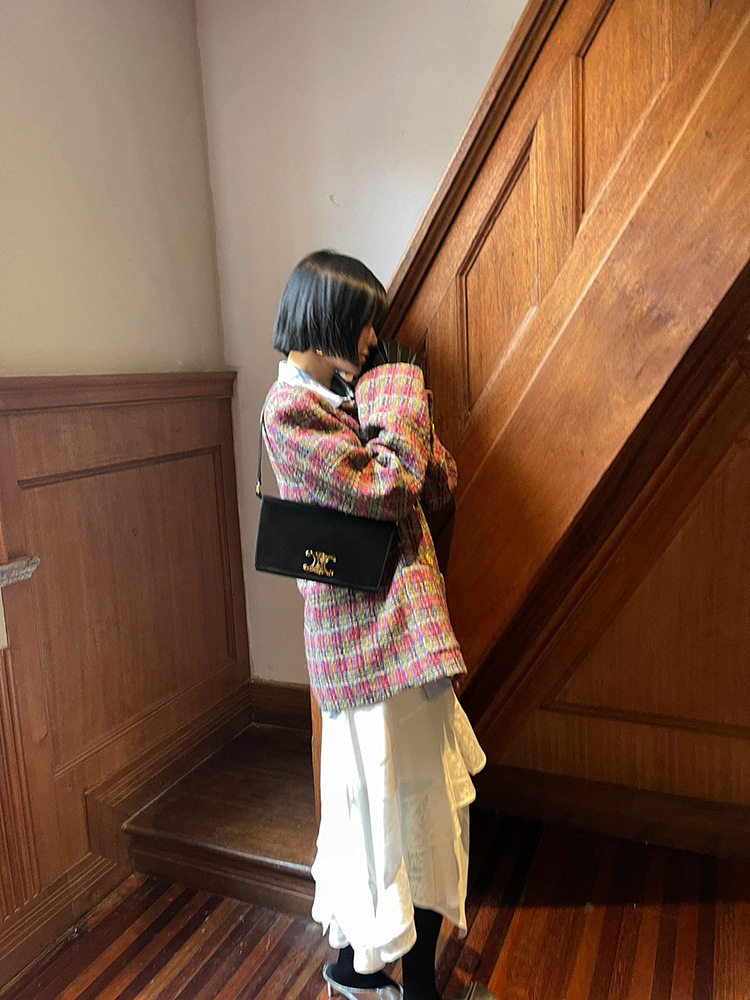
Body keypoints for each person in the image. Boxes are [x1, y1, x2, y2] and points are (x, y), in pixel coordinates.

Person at [261, 250, 494, 1000]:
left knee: (415, 807)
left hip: (402, 639)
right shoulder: (290, 411)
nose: (371, 341)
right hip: (364, 649)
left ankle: (378, 975)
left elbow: (438, 479)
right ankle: (380, 976)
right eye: (363, 325)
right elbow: (387, 490)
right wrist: (396, 391)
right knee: (384, 815)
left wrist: (391, 402)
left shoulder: (347, 393)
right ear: (324, 318)